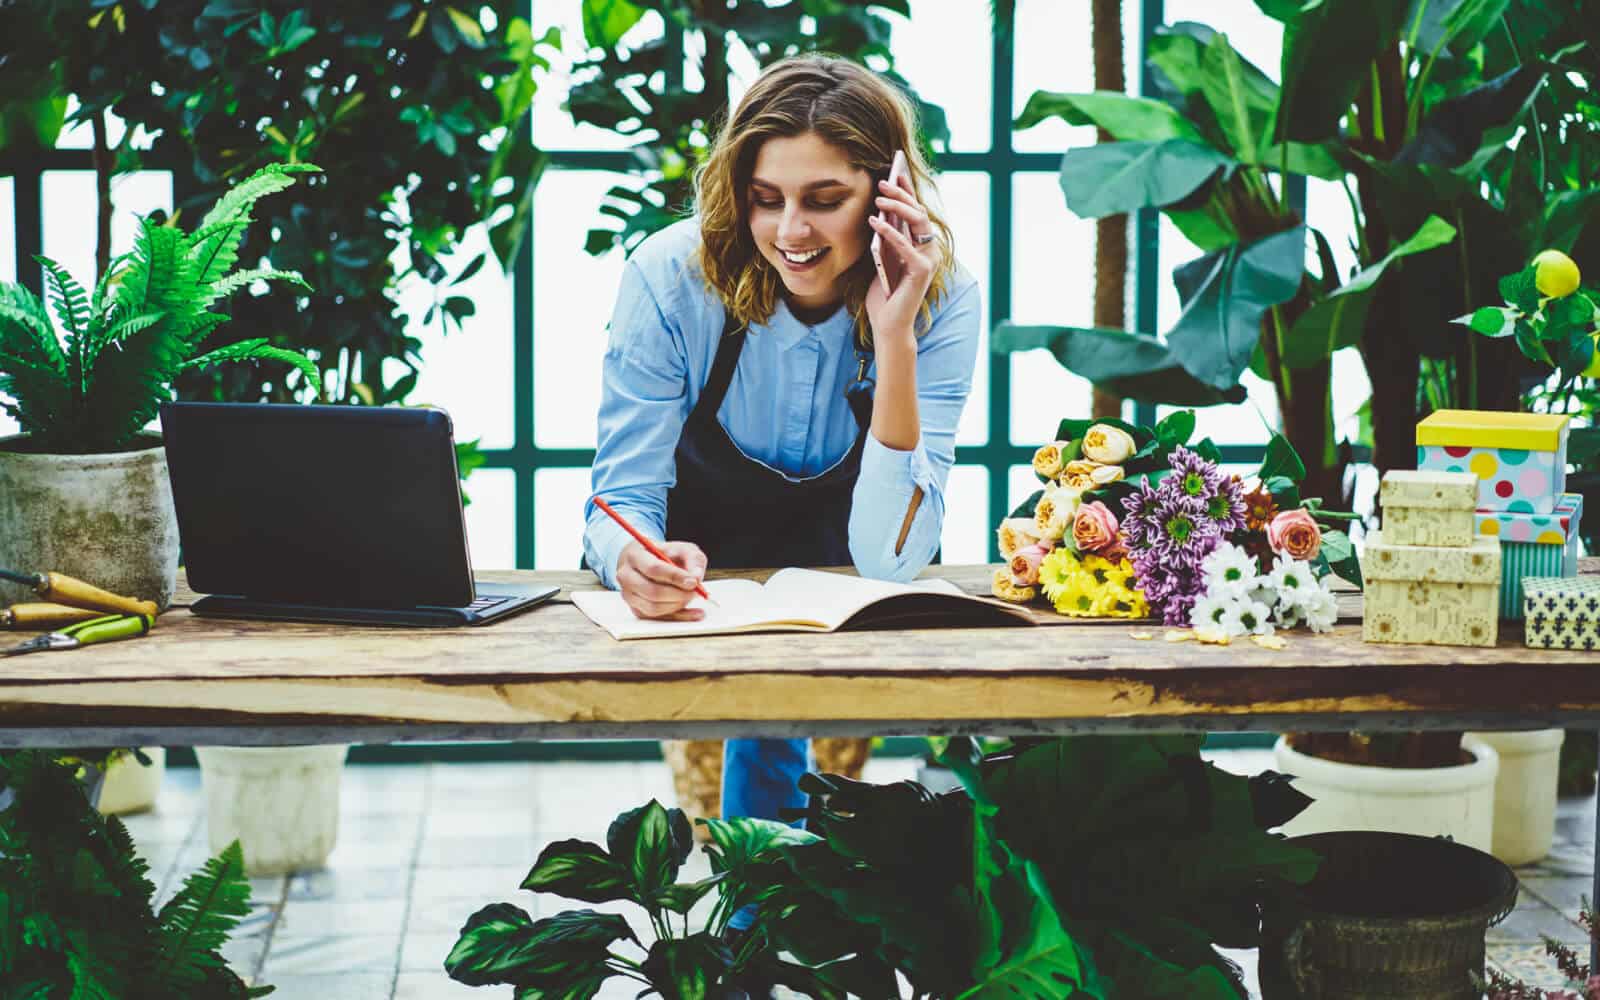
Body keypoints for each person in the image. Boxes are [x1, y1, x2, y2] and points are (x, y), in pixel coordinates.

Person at [581, 49, 980, 951]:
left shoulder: (943, 299)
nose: (790, 230)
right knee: (759, 794)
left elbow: (892, 556)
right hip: (705, 583)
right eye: (766, 197)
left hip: (843, 585)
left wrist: (895, 335)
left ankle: (784, 948)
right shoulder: (669, 276)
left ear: (889, 191)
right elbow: (620, 498)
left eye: (824, 199)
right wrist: (634, 558)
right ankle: (761, 951)